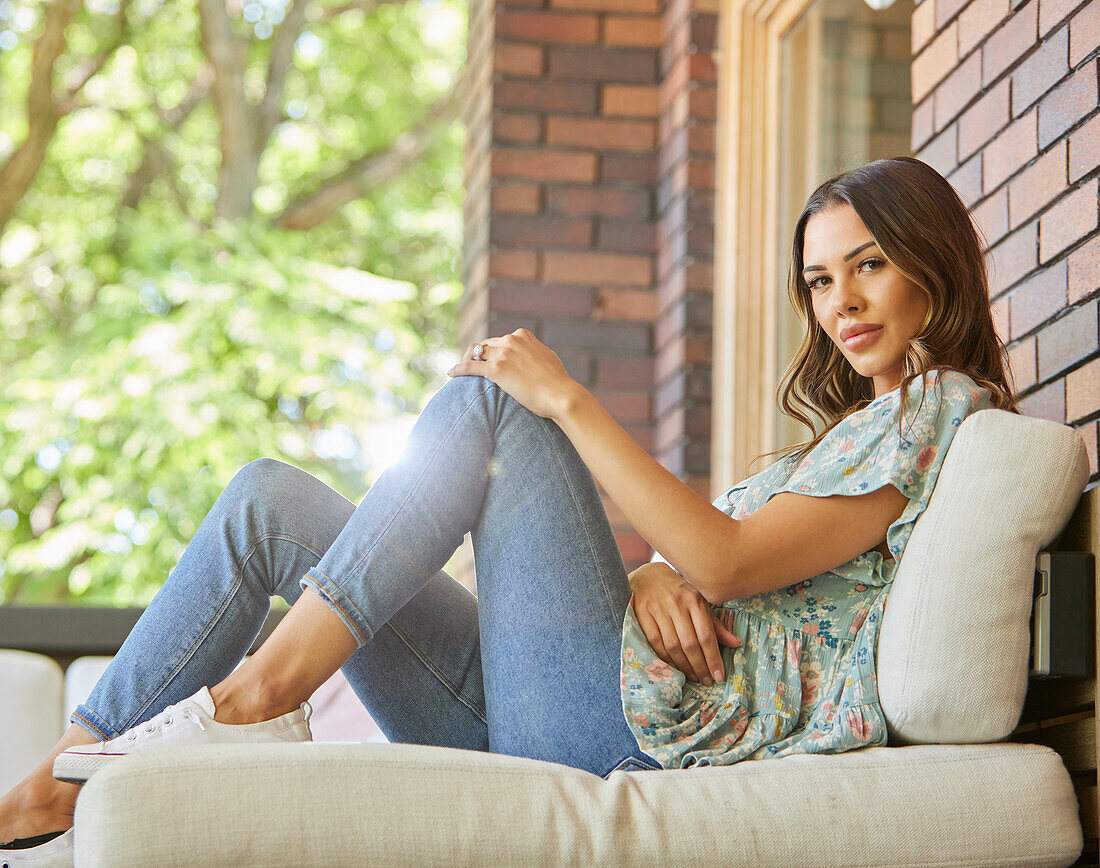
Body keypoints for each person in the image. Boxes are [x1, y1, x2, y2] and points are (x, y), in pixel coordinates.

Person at [0, 156, 1017, 864]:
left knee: (493, 398)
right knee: (267, 497)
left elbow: (730, 559)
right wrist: (649, 573)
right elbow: (716, 561)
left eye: (869, 264)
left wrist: (567, 400)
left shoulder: (936, 409)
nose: (840, 299)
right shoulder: (853, 432)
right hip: (574, 694)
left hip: (627, 731)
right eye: (819, 278)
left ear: (932, 260)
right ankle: (46, 788)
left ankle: (261, 697)